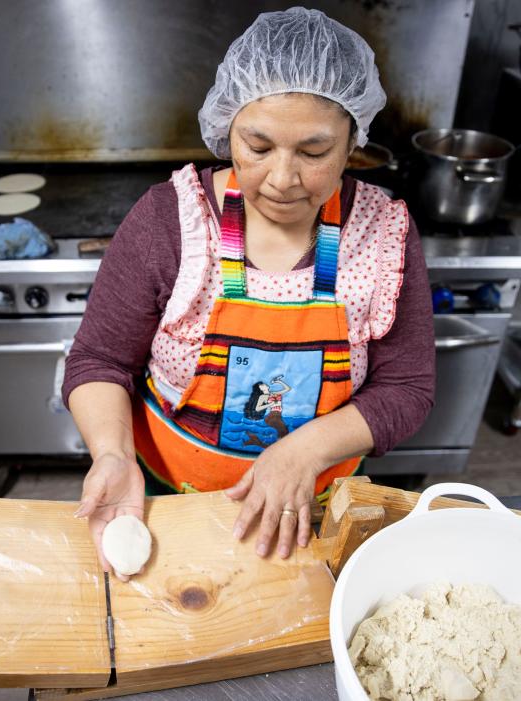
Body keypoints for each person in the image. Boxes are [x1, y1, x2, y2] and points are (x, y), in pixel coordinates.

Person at [65, 7, 434, 578]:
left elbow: (407, 387)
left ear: (353, 141)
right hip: (166, 496)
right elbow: (100, 360)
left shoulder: (381, 232)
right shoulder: (171, 222)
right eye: (257, 146)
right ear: (227, 127)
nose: (283, 179)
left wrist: (304, 452)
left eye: (314, 153)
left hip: (313, 504)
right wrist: (112, 455)